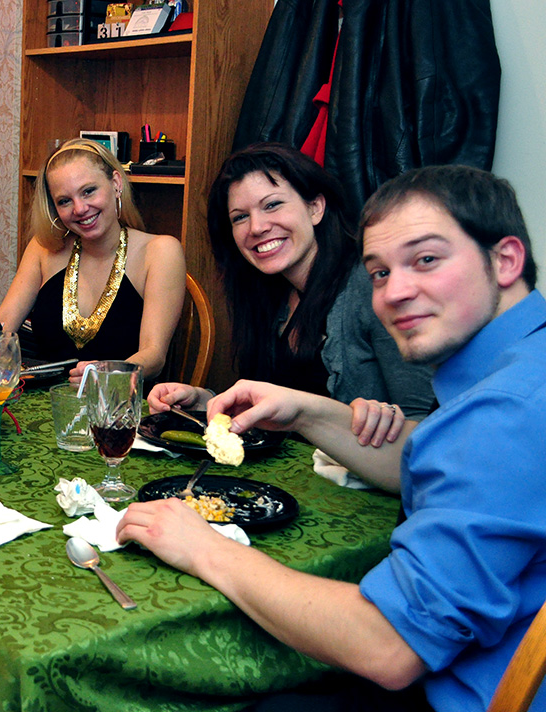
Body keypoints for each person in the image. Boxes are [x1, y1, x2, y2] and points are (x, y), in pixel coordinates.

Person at [118, 164, 544, 712]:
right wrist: (305, 412)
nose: (394, 292)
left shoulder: (506, 411)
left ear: (505, 260)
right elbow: (420, 465)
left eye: (426, 260)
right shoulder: (519, 368)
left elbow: (388, 646)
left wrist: (204, 547)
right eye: (380, 272)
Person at [150, 144, 434, 437]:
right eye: (240, 217)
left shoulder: (370, 285)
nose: (257, 227)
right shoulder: (268, 290)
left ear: (315, 208)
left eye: (272, 205)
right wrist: (204, 402)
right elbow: (276, 411)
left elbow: (425, 422)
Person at [0, 138, 184, 381]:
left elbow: (154, 356)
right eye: (64, 201)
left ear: (116, 183)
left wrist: (106, 375)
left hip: (121, 400)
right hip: (44, 398)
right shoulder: (43, 248)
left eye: (88, 191)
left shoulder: (160, 252)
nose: (79, 209)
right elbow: (0, 329)